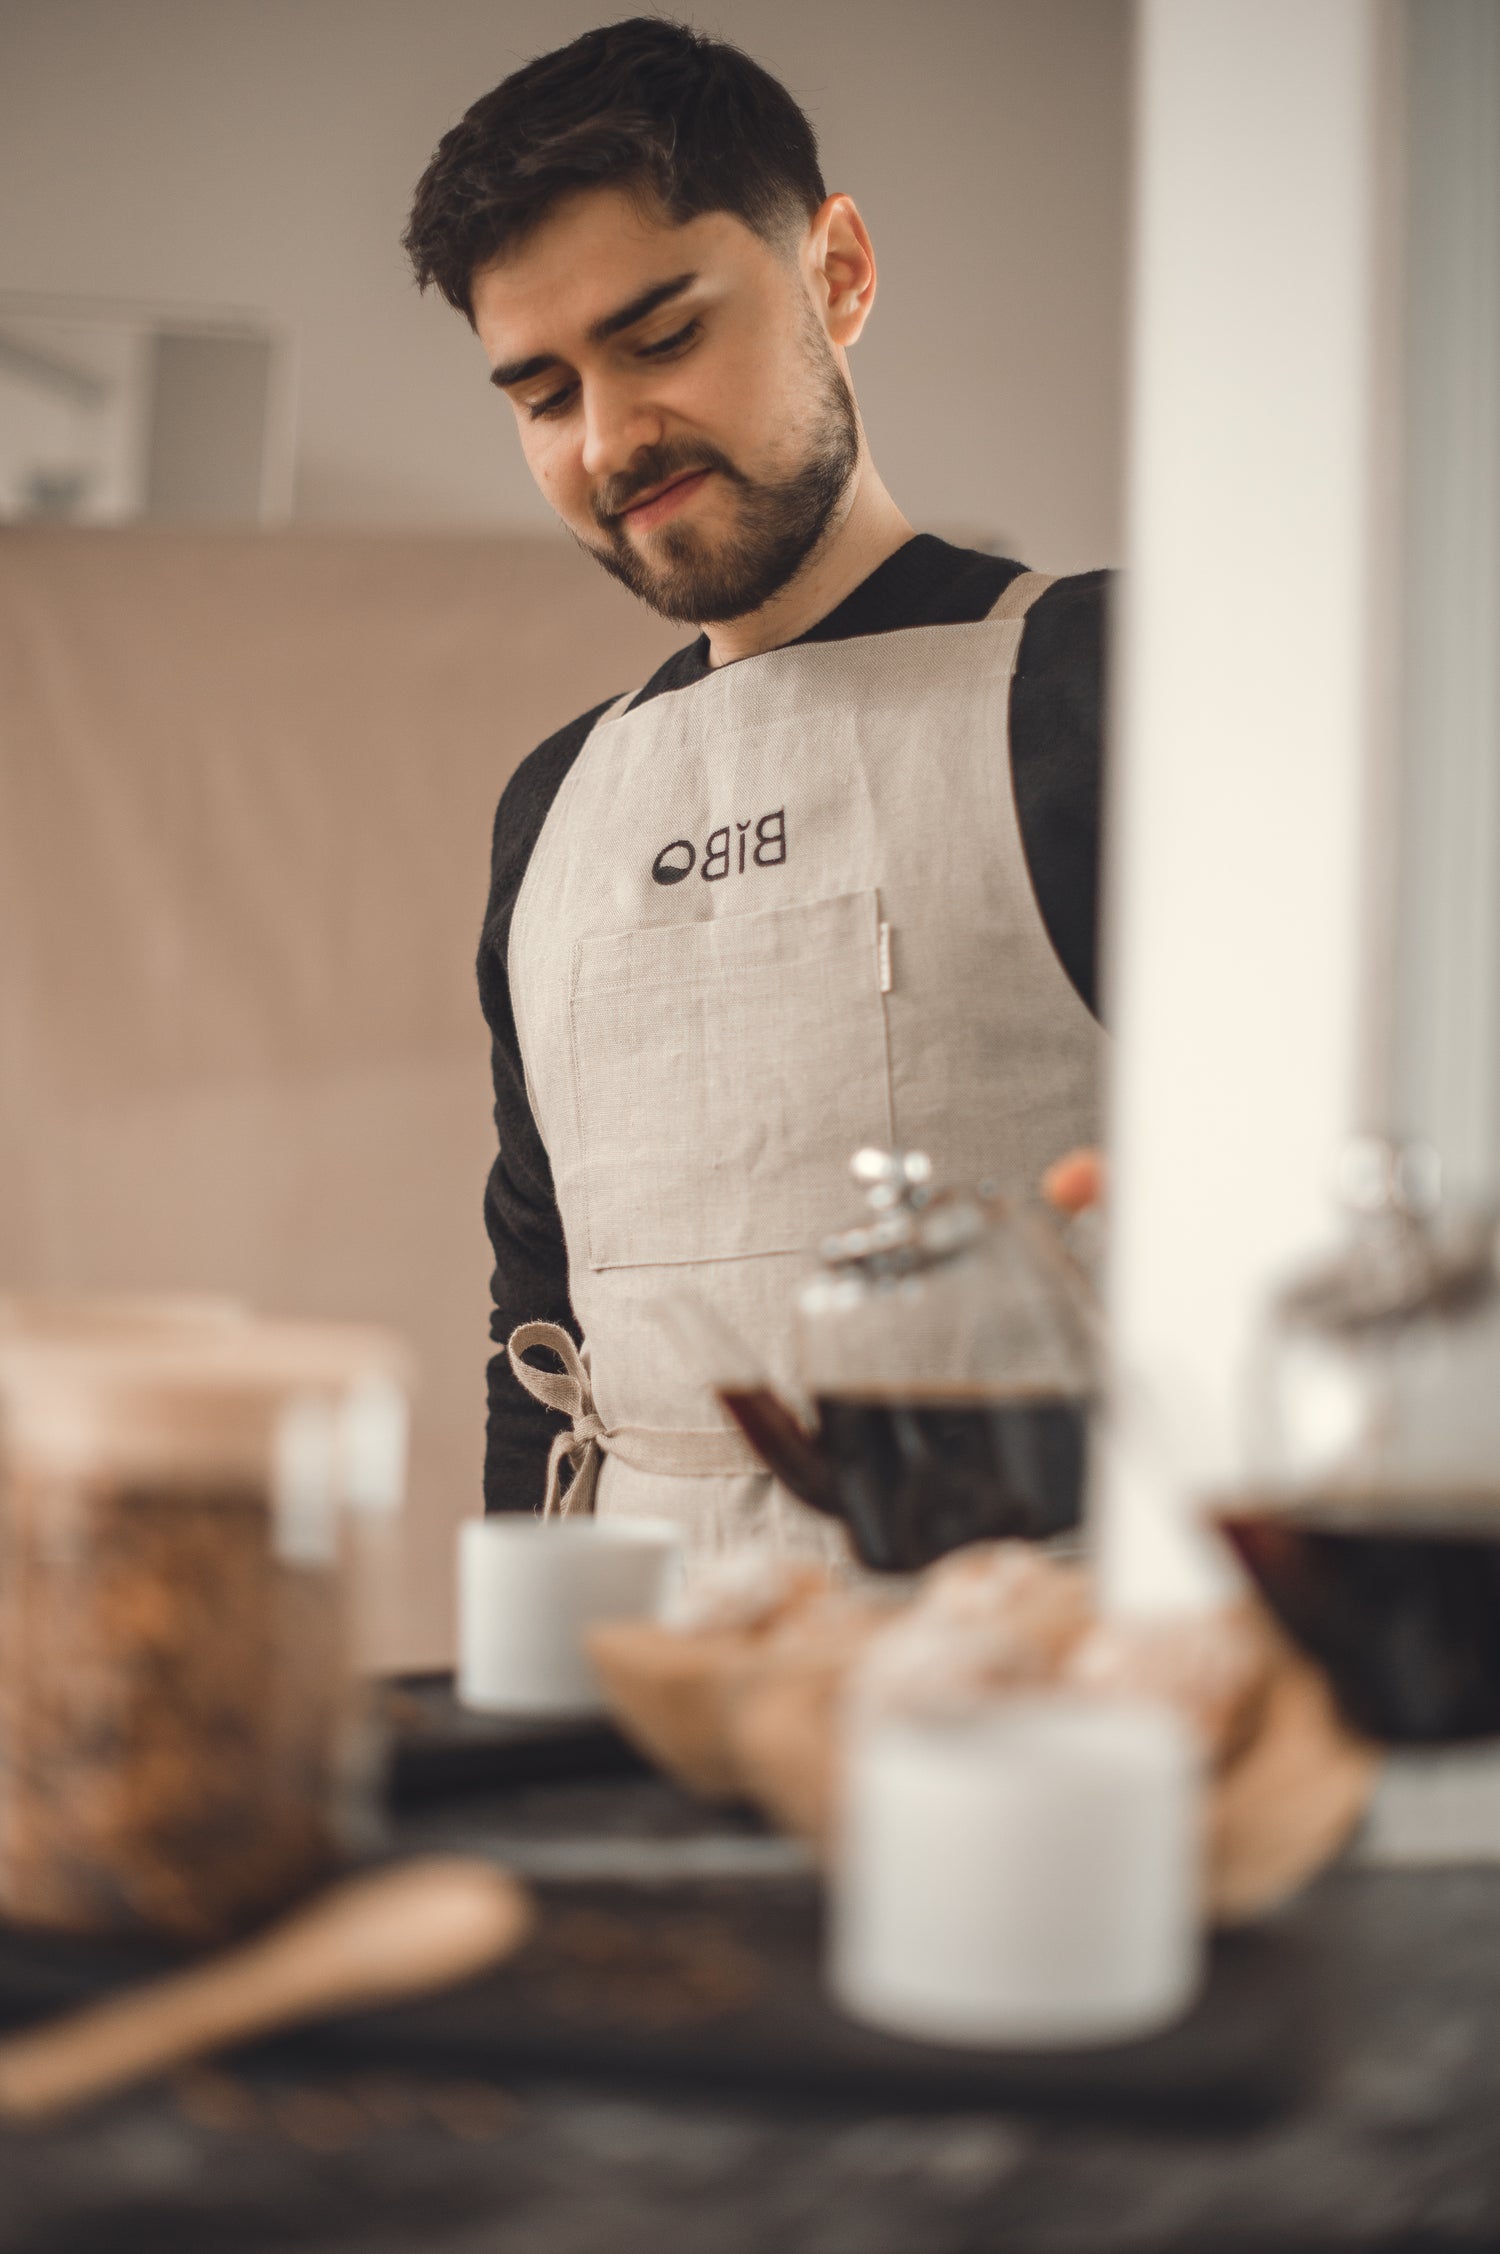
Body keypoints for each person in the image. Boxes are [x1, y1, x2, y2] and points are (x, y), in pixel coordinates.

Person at [403, 16, 1109, 1552]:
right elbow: (540, 1336)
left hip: (1039, 1690)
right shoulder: (560, 805)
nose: (611, 440)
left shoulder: (1104, 684)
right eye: (541, 393)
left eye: (662, 339)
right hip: (651, 1710)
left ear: (837, 272)